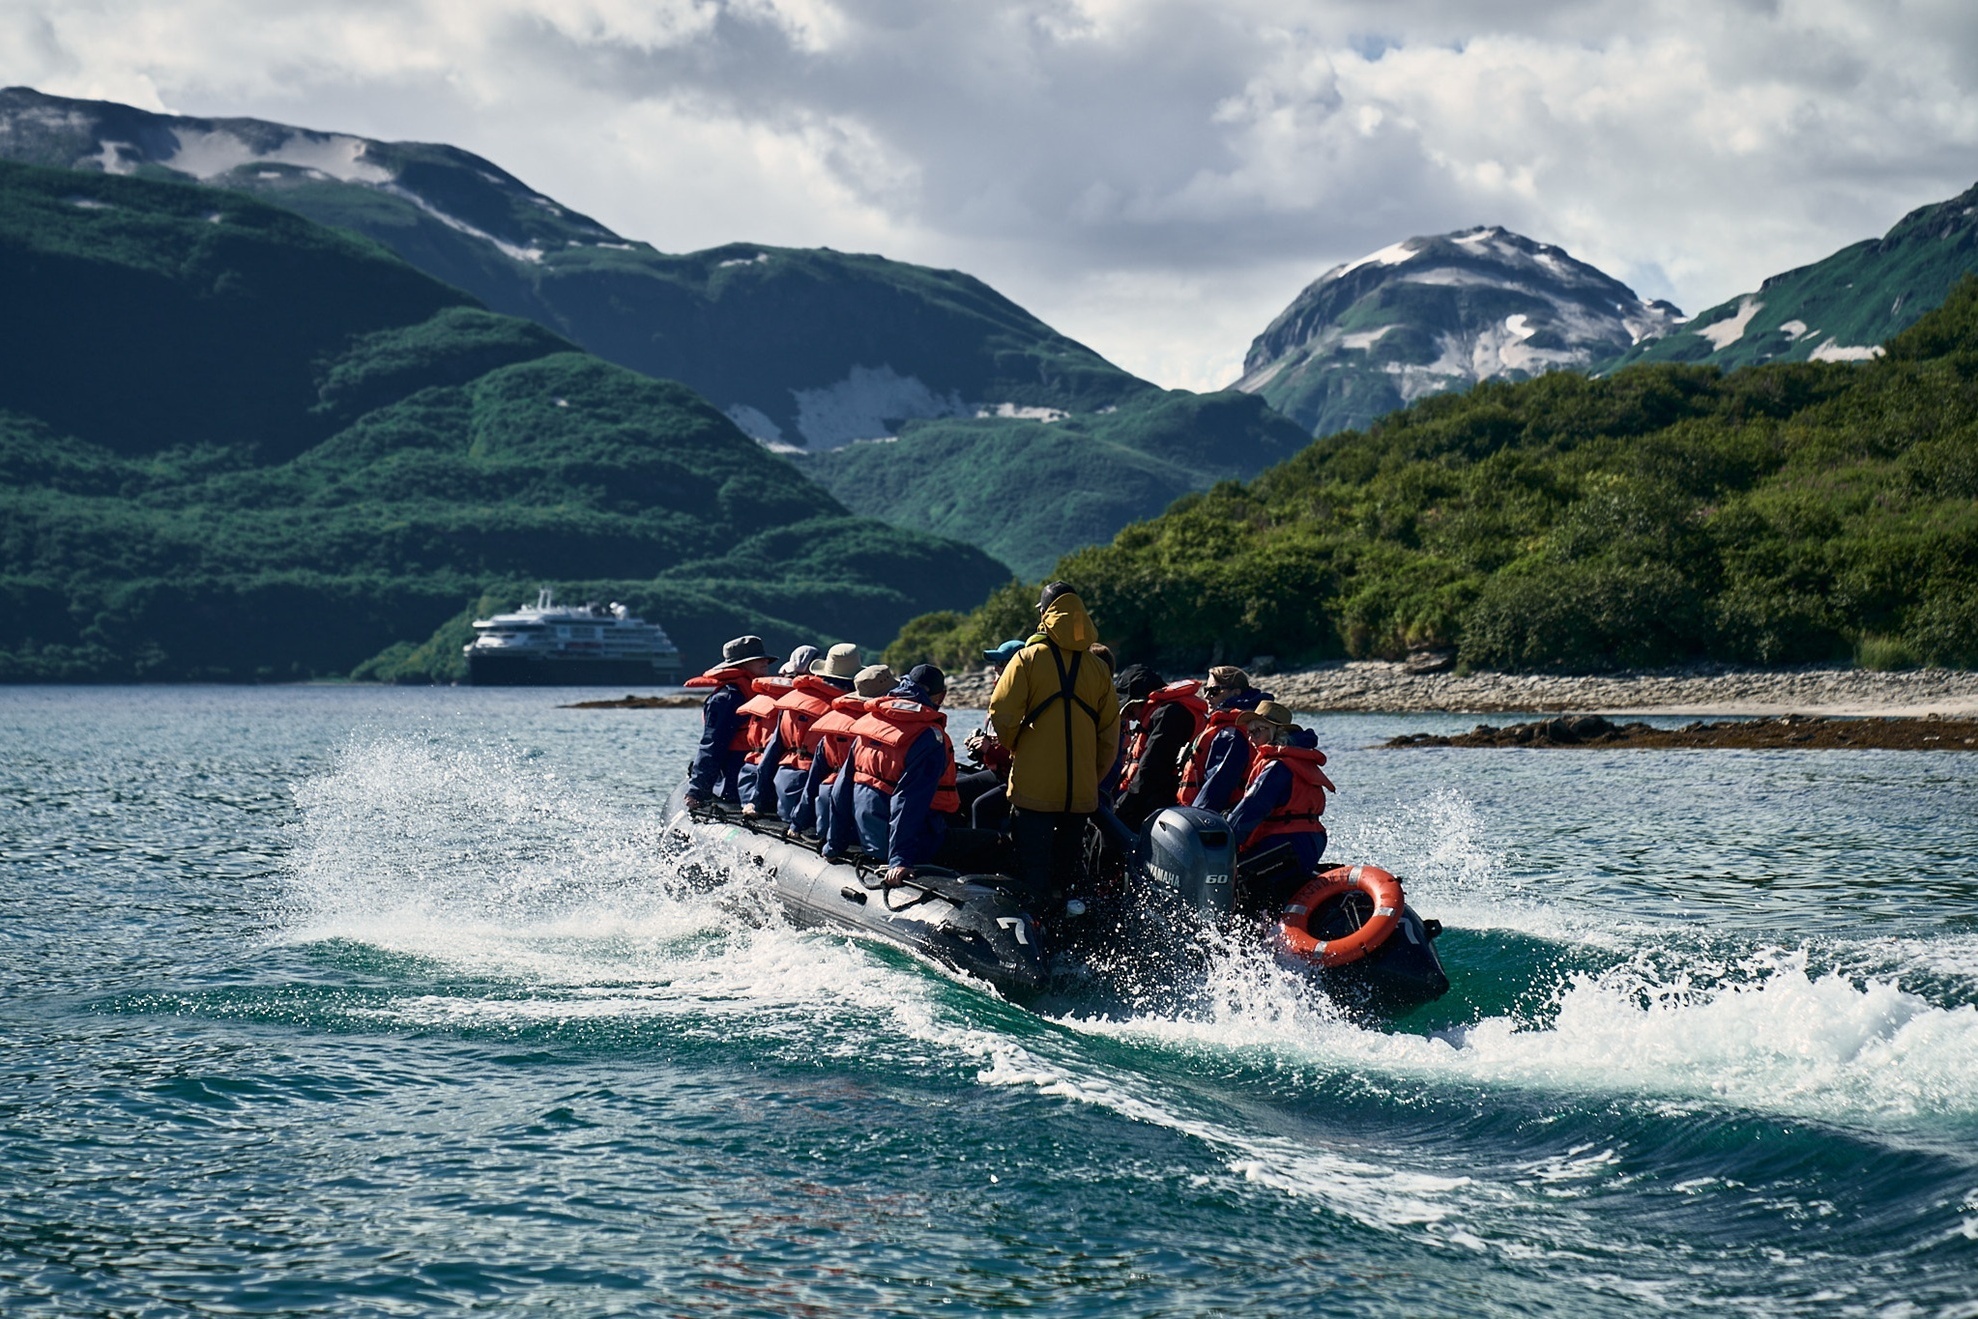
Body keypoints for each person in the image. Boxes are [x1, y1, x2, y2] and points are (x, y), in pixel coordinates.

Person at [988, 581, 1121, 910]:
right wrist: (1091, 776)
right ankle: (1069, 928)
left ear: (1046, 614)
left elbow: (1001, 715)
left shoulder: (1027, 660)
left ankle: (1034, 930)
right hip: (1080, 794)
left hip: (1034, 788)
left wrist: (1020, 747)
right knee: (1067, 871)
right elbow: (1109, 736)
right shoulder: (1098, 669)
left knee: (1033, 867)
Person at [840, 665, 1004, 883]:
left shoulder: (868, 725)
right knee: (998, 842)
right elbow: (908, 801)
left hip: (868, 833)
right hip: (915, 842)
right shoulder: (928, 736)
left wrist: (833, 842)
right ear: (942, 696)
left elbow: (840, 789)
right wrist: (900, 860)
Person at [1223, 701, 1335, 908]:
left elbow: (1249, 811)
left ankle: (1250, 935)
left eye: (1259, 730)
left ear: (1278, 732)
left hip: (1285, 843)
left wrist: (1224, 840)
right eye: (1249, 732)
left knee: (1237, 884)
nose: (1252, 737)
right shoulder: (1298, 760)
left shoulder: (1276, 766)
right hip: (1310, 840)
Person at [744, 642, 860, 823]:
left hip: (784, 784)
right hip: (819, 793)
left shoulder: (789, 701)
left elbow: (771, 753)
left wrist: (756, 800)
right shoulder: (842, 711)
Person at [798, 663, 894, 842]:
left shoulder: (832, 723)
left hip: (828, 802)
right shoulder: (880, 729)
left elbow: (814, 777)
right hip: (862, 810)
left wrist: (798, 822)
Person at [683, 634, 779, 808]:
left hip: (762, 775)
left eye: (764, 658)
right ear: (739, 664)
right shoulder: (726, 698)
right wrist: (697, 791)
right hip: (735, 779)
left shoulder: (763, 693)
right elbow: (712, 746)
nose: (765, 662)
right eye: (758, 659)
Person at [1113, 665, 1209, 830]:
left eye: (1130, 711)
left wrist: (1122, 807)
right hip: (1157, 799)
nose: (1131, 718)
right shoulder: (1166, 711)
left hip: (1162, 803)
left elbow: (1152, 768)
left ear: (1141, 701)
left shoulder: (1169, 714)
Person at [1183, 665, 1275, 813]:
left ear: (1235, 693)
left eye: (1214, 691)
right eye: (1205, 691)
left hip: (1221, 813)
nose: (1207, 696)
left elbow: (1218, 786)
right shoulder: (1235, 725)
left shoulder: (1231, 733)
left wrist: (1198, 816)